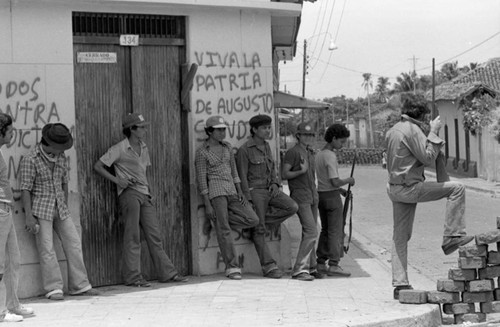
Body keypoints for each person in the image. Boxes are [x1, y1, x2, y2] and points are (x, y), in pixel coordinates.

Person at [385, 93, 474, 299]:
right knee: (457, 188)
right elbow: (427, 157)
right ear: (423, 115)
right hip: (409, 188)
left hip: (395, 188)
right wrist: (433, 132)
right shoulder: (412, 130)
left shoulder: (393, 130)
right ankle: (452, 236)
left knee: (400, 236)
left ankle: (400, 284)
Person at [94, 113, 188, 287]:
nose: (145, 129)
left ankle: (167, 273)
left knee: (155, 235)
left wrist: (150, 191)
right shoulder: (120, 148)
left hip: (144, 194)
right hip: (129, 193)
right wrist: (117, 180)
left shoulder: (143, 147)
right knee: (133, 236)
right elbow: (98, 166)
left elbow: (144, 171)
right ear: (132, 129)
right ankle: (133, 277)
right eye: (142, 127)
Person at [20, 123, 99, 301]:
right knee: (47, 248)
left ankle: (80, 285)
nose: (62, 150)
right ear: (49, 143)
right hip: (41, 208)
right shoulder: (31, 159)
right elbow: (25, 189)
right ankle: (53, 288)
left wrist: (64, 202)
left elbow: (64, 181)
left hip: (60, 208)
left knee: (74, 243)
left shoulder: (61, 157)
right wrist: (29, 217)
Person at [195, 115, 259, 280]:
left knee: (252, 219)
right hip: (216, 192)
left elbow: (234, 171)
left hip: (231, 190)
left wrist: (240, 191)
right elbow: (201, 180)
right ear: (210, 131)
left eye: (224, 129)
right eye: (219, 130)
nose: (222, 132)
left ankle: (221, 224)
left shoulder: (228, 147)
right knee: (224, 230)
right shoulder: (202, 152)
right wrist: (207, 204)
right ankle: (232, 267)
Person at [236, 114, 298, 279]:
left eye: (269, 127)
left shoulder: (267, 146)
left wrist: (275, 183)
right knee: (259, 229)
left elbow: (273, 168)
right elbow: (241, 176)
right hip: (255, 191)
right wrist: (247, 199)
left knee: (292, 207)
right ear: (254, 130)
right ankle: (269, 266)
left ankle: (257, 224)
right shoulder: (244, 150)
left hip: (270, 189)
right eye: (264, 128)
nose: (267, 130)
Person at [0, 114, 34, 322]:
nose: (13, 134)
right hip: (0, 209)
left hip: (6, 209)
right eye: (10, 131)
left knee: (14, 258)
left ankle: (12, 303)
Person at [282, 122, 322, 281]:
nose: (309, 137)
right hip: (300, 196)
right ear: (298, 135)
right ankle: (300, 269)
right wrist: (301, 171)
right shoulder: (293, 152)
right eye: (305, 134)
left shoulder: (310, 152)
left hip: (312, 195)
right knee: (311, 231)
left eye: (311, 135)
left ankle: (311, 267)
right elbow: (284, 174)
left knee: (311, 232)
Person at [315, 124, 354, 277]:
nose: (342, 145)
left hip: (321, 196)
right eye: (341, 142)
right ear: (334, 138)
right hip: (331, 198)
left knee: (325, 230)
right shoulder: (330, 156)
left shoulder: (319, 154)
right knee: (335, 232)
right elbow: (334, 181)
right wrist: (348, 180)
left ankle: (320, 262)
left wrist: (341, 190)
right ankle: (334, 264)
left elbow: (325, 181)